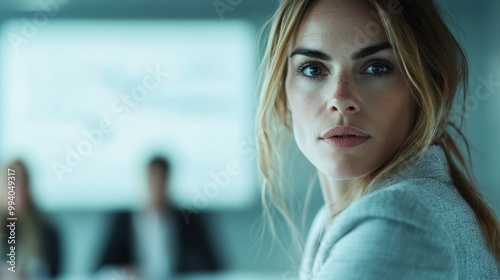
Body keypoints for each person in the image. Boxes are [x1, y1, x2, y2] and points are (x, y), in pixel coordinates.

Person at [256, 0, 500, 279]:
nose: (340, 99)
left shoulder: (400, 221)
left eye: (376, 68)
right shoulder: (332, 218)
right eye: (313, 69)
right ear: (281, 90)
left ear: (426, 88)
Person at [96, 156, 222, 279]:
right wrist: (123, 271)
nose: (157, 187)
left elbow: (212, 265)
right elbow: (100, 268)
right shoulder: (122, 220)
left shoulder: (189, 219)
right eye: (153, 180)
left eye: (161, 180)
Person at [0, 160, 61, 279]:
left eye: (20, 183)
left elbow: (55, 274)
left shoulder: (47, 232)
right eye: (11, 183)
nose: (15, 190)